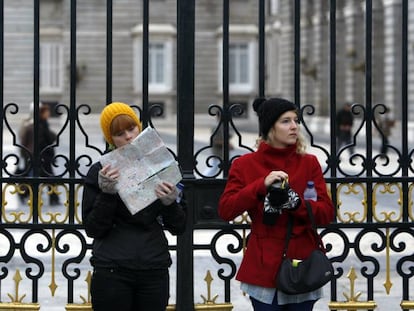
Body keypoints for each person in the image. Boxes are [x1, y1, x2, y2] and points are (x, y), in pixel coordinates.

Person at [218, 97, 334, 311]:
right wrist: (261, 185)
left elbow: (326, 213)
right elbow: (226, 209)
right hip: (264, 266)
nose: (294, 126)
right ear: (270, 128)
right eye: (285, 121)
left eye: (296, 120)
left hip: (302, 264)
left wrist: (296, 203)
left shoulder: (309, 163)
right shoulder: (244, 165)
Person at [82, 102, 186, 311]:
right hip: (112, 268)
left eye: (131, 128)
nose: (128, 136)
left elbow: (179, 226)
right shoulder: (100, 171)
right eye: (119, 133)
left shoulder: (162, 163)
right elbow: (93, 229)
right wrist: (107, 194)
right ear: (110, 138)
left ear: (139, 127)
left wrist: (170, 203)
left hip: (153, 267)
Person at [18, 102, 60, 205]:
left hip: (41, 156)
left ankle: (52, 198)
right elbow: (40, 140)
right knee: (40, 178)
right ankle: (26, 194)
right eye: (47, 112)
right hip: (38, 156)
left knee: (39, 177)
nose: (49, 114)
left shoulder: (43, 124)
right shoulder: (35, 125)